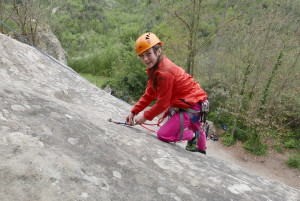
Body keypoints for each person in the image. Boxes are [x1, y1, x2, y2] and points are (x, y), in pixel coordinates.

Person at [126, 32, 208, 154]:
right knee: (197, 130)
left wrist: (144, 117)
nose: (145, 59)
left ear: (158, 51)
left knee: (163, 135)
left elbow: (163, 104)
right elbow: (150, 94)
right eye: (142, 56)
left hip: (192, 105)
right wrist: (134, 111)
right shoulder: (156, 68)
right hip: (192, 103)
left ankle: (192, 136)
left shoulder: (165, 72)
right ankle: (201, 149)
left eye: (148, 54)